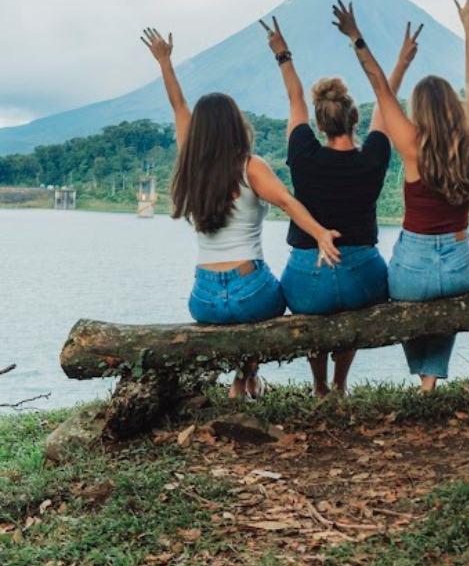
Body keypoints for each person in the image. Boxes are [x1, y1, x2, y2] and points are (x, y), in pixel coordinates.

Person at [141, 27, 341, 399]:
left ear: (199, 131)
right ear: (237, 125)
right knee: (272, 299)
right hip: (251, 290)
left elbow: (179, 107)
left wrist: (165, 62)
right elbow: (286, 201)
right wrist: (320, 234)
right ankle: (242, 379)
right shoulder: (251, 167)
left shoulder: (191, 164)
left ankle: (245, 380)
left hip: (203, 299)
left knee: (245, 307)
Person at [332, 0, 469, 393]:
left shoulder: (410, 144)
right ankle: (432, 380)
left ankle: (426, 381)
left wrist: (356, 36)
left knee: (412, 288)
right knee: (449, 294)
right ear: (455, 108)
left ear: (418, 109)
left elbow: (379, 87)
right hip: (458, 265)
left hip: (412, 268)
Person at [260, 16, 422, 396]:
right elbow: (386, 102)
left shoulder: (302, 152)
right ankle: (340, 382)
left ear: (318, 125)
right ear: (355, 119)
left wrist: (282, 53)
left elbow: (295, 98)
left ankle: (319, 386)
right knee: (347, 304)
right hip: (362, 278)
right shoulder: (375, 156)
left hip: (307, 277)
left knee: (315, 309)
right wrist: (401, 62)